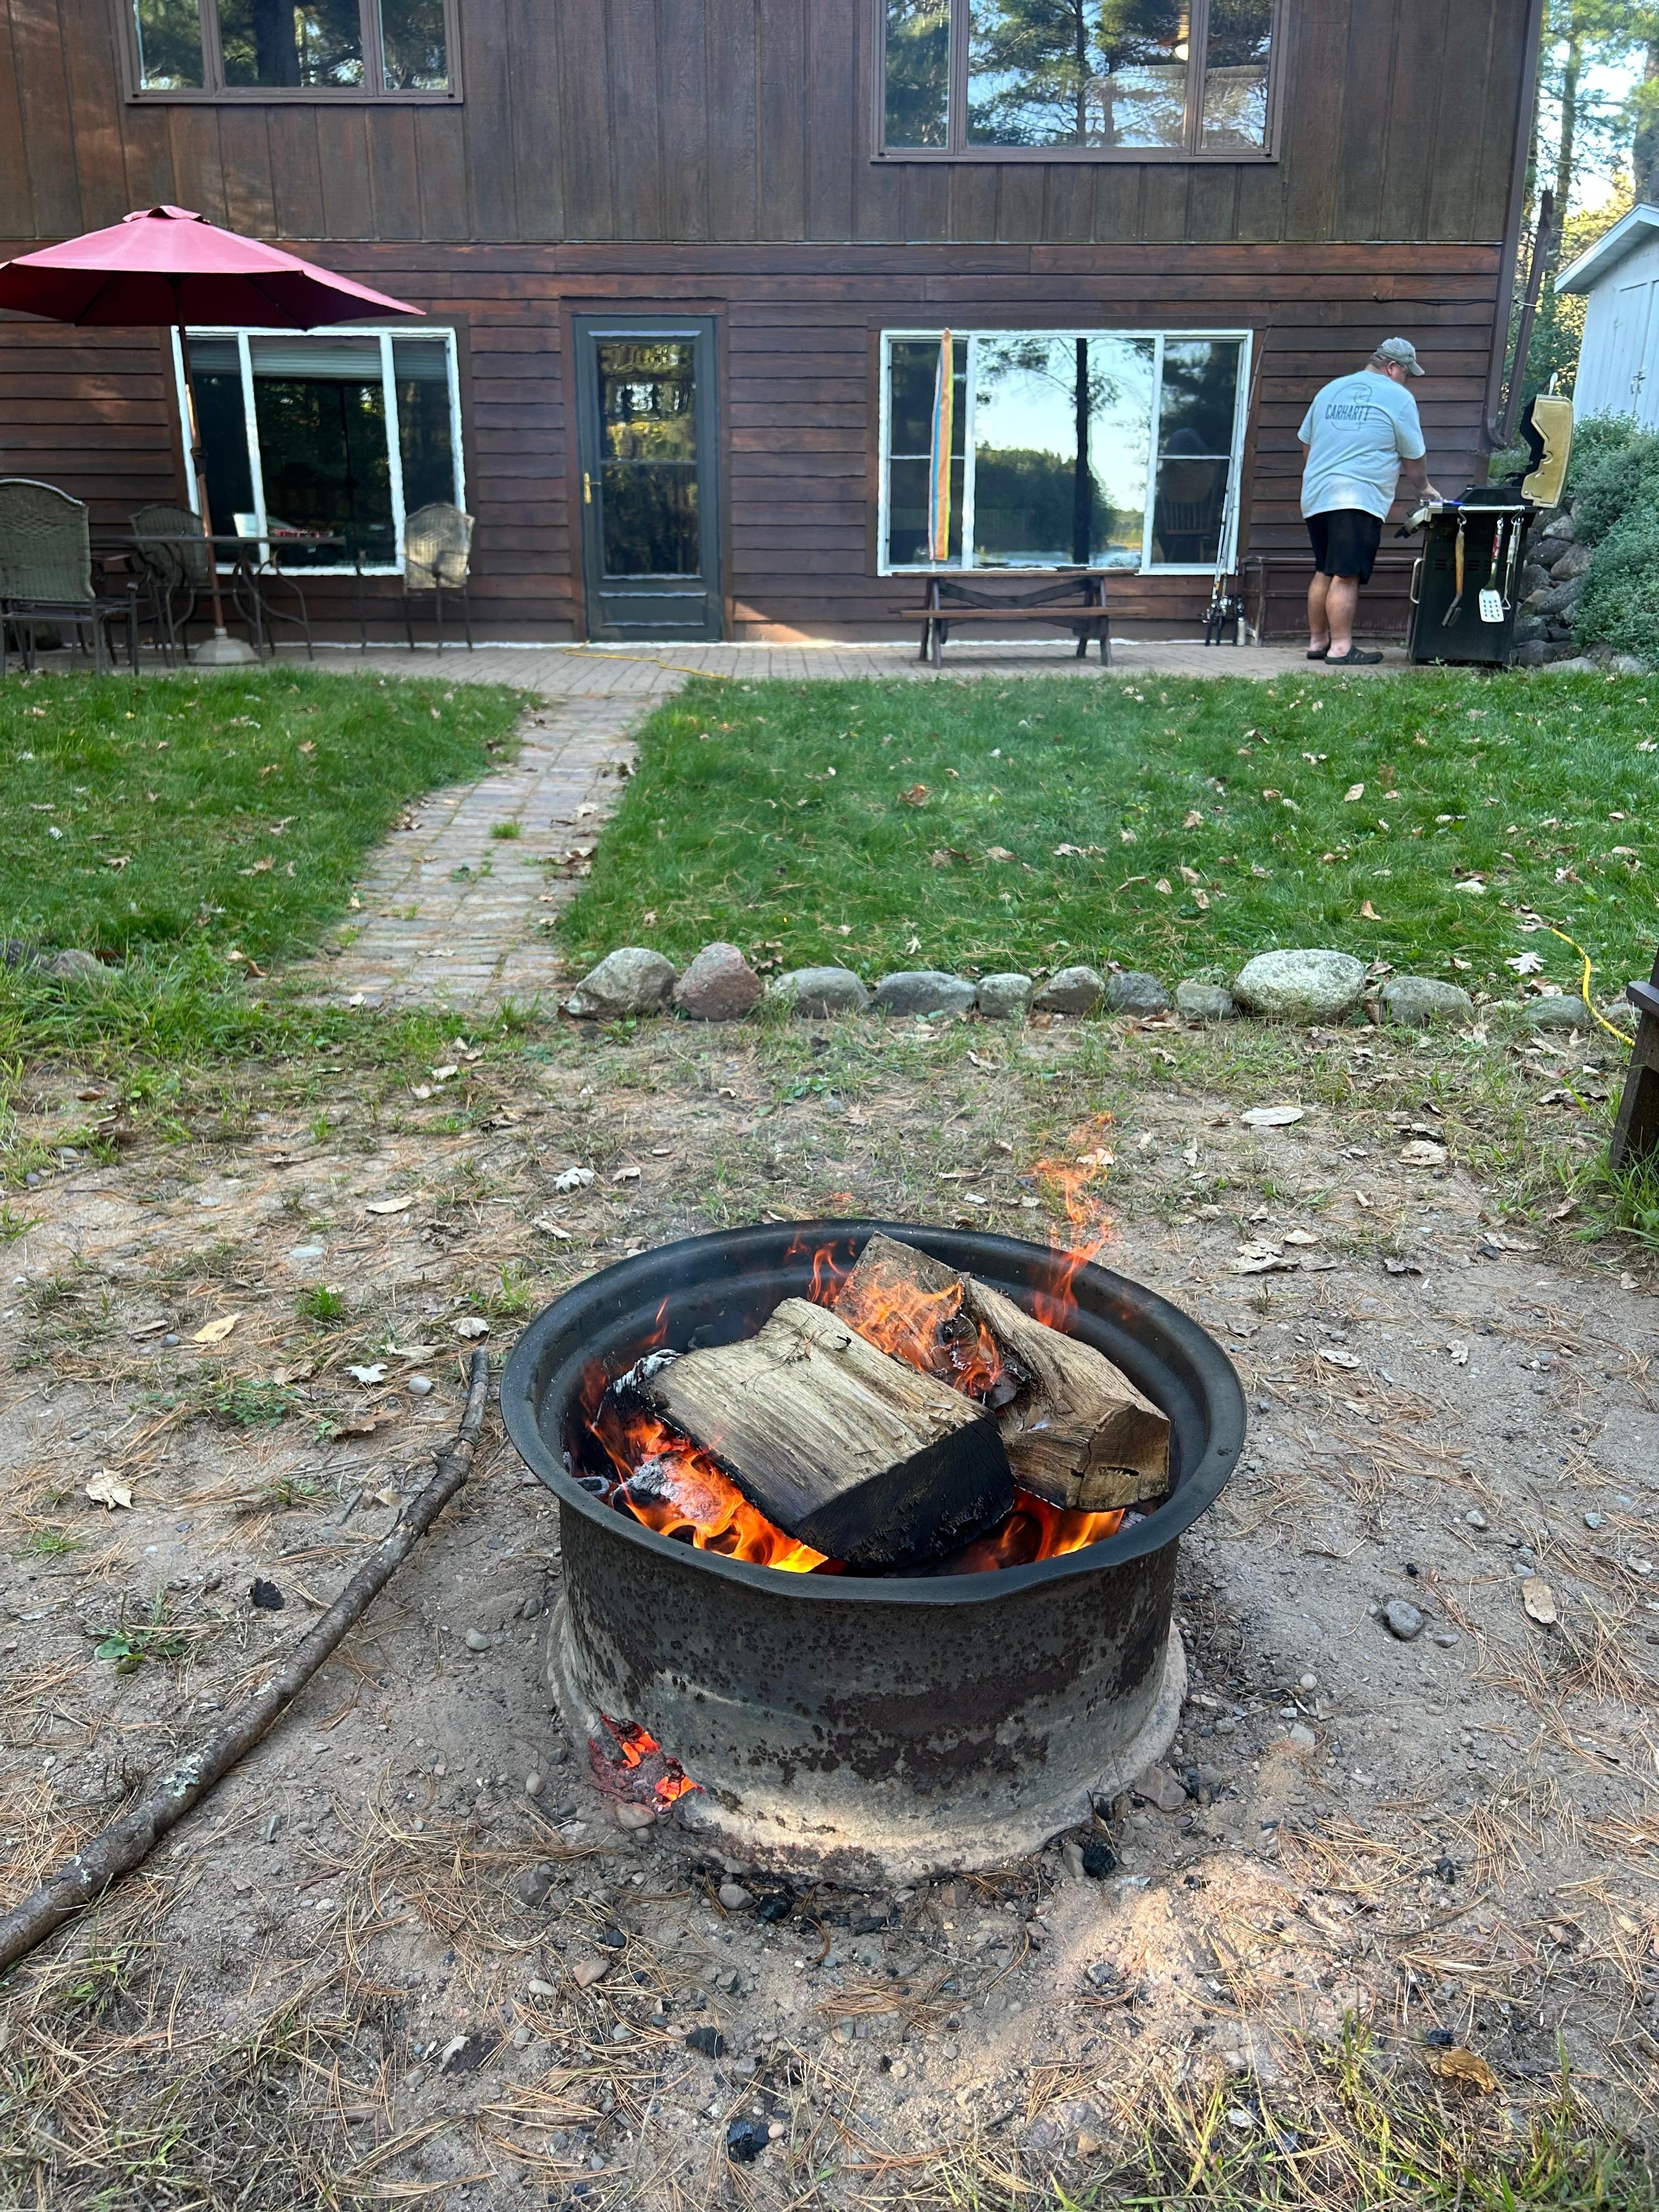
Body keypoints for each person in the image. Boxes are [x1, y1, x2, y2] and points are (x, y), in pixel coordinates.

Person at [1298, 337, 1440, 666]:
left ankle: (1318, 642)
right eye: (1407, 373)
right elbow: (1414, 457)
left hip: (1317, 495)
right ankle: (1341, 649)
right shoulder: (1399, 398)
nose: (1407, 381)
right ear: (1392, 368)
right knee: (1346, 574)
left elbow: (1307, 444)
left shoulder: (1330, 391)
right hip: (1357, 496)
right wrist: (1424, 489)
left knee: (1325, 568)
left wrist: (1323, 474)